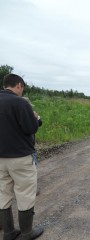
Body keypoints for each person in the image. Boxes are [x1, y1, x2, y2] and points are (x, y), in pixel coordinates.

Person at [0, 74, 44, 240]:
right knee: (25, 193)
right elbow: (30, 128)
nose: (21, 91)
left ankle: (9, 233)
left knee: (3, 194)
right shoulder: (20, 103)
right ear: (18, 85)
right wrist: (36, 119)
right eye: (22, 87)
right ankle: (26, 233)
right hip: (20, 157)